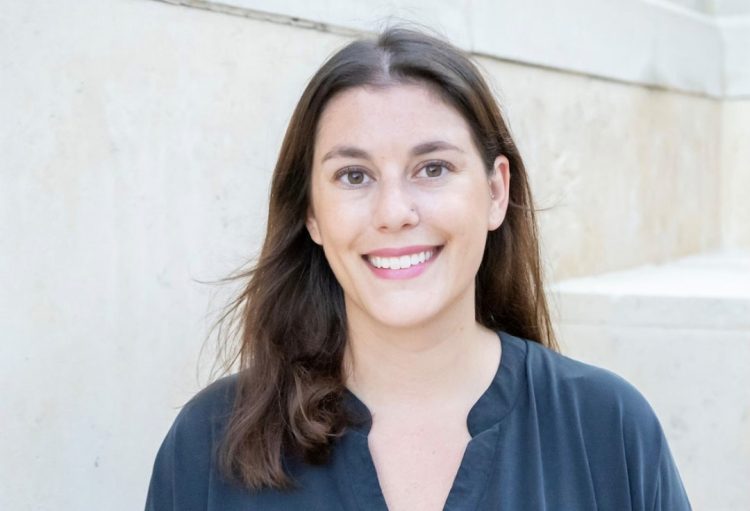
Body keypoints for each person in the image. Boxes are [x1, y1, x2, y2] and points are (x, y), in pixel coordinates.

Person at [145, 27, 692, 510]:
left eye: (433, 168)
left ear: (496, 191)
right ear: (311, 212)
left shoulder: (606, 428)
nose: (393, 214)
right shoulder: (210, 444)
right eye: (354, 176)